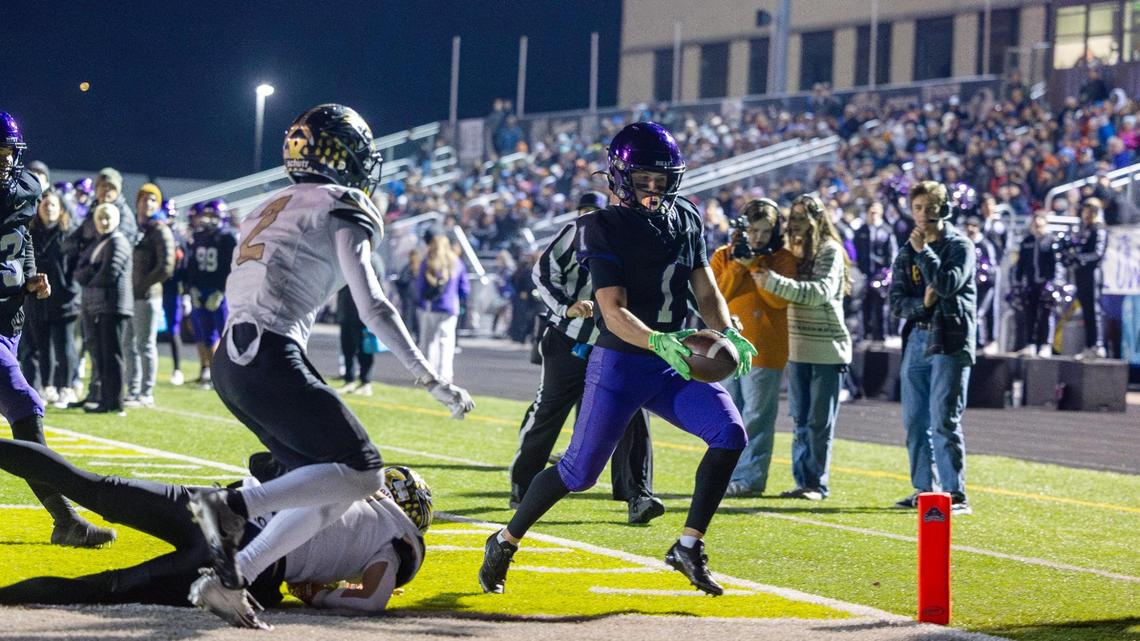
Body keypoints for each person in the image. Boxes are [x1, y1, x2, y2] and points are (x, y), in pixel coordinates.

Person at [183, 104, 473, 625]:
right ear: (343, 155)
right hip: (268, 351)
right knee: (364, 471)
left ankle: (234, 578)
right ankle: (233, 508)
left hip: (234, 358)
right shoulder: (343, 200)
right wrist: (431, 377)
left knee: (331, 486)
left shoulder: (267, 204)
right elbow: (373, 305)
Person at [478, 122, 756, 597]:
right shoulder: (600, 226)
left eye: (661, 178)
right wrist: (659, 341)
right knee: (578, 473)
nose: (654, 188)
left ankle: (688, 546)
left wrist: (727, 328)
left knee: (729, 435)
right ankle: (504, 540)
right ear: (621, 177)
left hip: (673, 358)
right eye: (643, 178)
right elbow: (613, 310)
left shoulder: (685, 216)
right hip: (624, 361)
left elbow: (704, 284)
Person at [0, 438, 431, 628]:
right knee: (105, 588)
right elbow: (372, 599)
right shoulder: (399, 539)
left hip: (214, 504)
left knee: (87, 485)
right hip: (247, 556)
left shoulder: (347, 477)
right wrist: (317, 595)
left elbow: (261, 461)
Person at [510, 190, 663, 524]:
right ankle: (524, 485)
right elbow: (543, 272)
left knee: (632, 415)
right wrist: (566, 306)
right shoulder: (577, 231)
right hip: (569, 338)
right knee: (550, 409)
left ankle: (638, 494)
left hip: (618, 343)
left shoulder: (641, 235)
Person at [0, 111, 114, 546]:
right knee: (25, 405)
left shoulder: (25, 189)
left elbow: (20, 236)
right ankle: (65, 520)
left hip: (8, 319)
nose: (1, 164)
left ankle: (65, 522)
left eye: (5, 155)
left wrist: (30, 274)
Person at [754, 194, 852, 501]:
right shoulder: (791, 253)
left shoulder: (830, 251)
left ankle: (816, 483)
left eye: (799, 218)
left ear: (816, 220)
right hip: (796, 347)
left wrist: (772, 282)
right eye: (791, 218)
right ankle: (803, 480)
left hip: (826, 348)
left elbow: (819, 292)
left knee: (818, 421)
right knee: (799, 418)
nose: (793, 224)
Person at [889, 180, 976, 515]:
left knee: (944, 419)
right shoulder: (906, 248)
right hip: (917, 337)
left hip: (950, 338)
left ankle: (955, 493)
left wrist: (925, 255)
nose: (923, 215)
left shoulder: (960, 246)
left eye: (930, 207)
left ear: (944, 208)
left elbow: (945, 284)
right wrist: (923, 305)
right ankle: (925, 490)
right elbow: (896, 301)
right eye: (918, 208)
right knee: (914, 420)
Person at [710, 198, 797, 497]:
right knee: (727, 416)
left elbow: (779, 300)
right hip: (726, 349)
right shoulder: (723, 255)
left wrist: (757, 266)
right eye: (753, 230)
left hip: (765, 349)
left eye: (765, 231)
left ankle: (750, 480)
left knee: (757, 418)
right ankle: (724, 476)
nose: (758, 237)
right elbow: (715, 296)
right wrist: (737, 265)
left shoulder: (782, 259)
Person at [74, 203, 133, 415]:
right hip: (98, 306)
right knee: (101, 354)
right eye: (100, 218)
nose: (104, 222)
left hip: (113, 306)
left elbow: (109, 273)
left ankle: (115, 402)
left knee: (112, 355)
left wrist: (90, 274)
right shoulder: (99, 242)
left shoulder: (119, 242)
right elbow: (79, 271)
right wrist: (92, 271)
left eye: (108, 218)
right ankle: (105, 399)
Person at [28, 189, 81, 409]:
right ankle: (47, 386)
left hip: (64, 299)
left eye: (53, 205)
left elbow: (77, 266)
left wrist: (70, 290)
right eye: (45, 205)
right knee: (42, 345)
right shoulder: (32, 233)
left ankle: (66, 388)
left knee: (64, 345)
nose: (48, 208)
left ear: (60, 210)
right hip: (39, 299)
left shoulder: (69, 234)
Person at [125, 184, 175, 407]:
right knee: (128, 344)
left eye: (152, 200)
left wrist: (142, 285)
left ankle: (146, 392)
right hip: (128, 295)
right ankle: (133, 389)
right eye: (144, 199)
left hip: (147, 295)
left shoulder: (159, 229)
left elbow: (166, 266)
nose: (147, 203)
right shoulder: (134, 227)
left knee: (145, 344)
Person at [185, 199, 237, 389]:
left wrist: (222, 291)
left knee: (224, 334)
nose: (208, 220)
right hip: (201, 289)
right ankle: (210, 371)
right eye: (206, 216)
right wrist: (192, 288)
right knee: (204, 334)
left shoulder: (228, 238)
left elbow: (231, 268)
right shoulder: (199, 236)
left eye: (213, 216)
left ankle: (228, 374)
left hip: (219, 292)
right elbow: (191, 266)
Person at [415, 233, 469, 383]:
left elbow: (419, 287)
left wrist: (420, 301)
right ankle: (445, 375)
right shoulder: (456, 263)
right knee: (446, 342)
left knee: (428, 342)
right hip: (450, 307)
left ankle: (428, 374)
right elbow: (465, 289)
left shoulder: (428, 262)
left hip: (431, 307)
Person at [1013, 212, 1060, 357]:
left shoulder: (1052, 240)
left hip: (1047, 283)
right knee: (1030, 315)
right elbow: (1020, 264)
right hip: (1031, 283)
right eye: (1035, 224)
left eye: (1040, 224)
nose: (1037, 227)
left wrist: (1054, 282)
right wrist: (1018, 281)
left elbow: (1057, 264)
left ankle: (1046, 344)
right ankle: (1030, 344)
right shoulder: (1027, 241)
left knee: (1046, 315)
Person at [854, 202, 898, 343]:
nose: (873, 215)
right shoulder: (861, 231)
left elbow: (892, 253)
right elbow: (855, 252)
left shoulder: (886, 230)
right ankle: (866, 334)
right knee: (864, 305)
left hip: (880, 274)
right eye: (871, 212)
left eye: (876, 212)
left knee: (881, 305)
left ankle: (881, 335)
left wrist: (886, 272)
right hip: (864, 274)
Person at [1071, 198, 1108, 360]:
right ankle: (1089, 345)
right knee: (1086, 310)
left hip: (1093, 274)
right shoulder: (1083, 229)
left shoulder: (1099, 229)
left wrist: (1079, 257)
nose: (1085, 214)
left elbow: (1098, 254)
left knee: (1094, 310)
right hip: (1082, 274)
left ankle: (1098, 345)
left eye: (1088, 211)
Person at [964, 216, 999, 353]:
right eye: (968, 226)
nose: (970, 229)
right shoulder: (965, 244)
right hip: (969, 286)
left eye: (973, 226)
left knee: (979, 313)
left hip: (985, 287)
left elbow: (991, 266)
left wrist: (983, 277)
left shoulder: (985, 244)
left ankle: (981, 343)